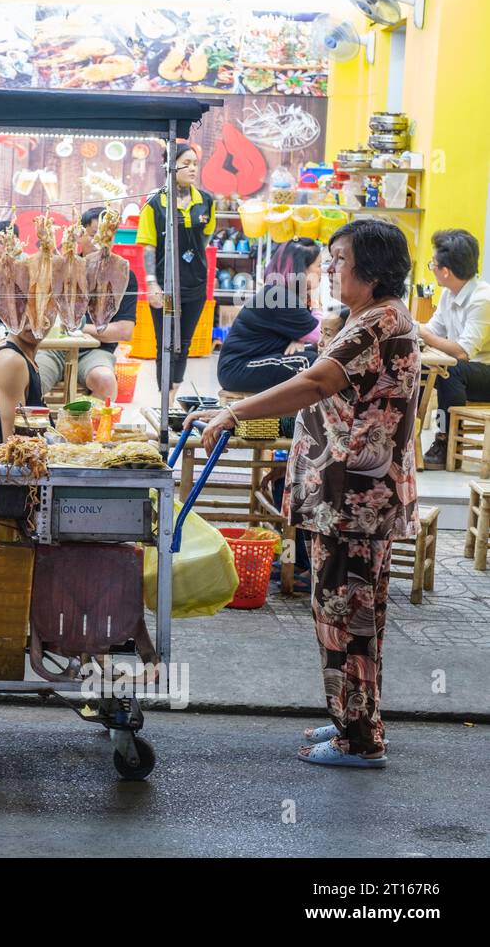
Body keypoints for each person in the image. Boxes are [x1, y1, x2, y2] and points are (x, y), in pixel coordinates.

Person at [187, 220, 418, 768]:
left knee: (348, 615)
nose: (331, 269)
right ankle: (352, 718)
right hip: (346, 497)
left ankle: (360, 741)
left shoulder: (380, 322)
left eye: (340, 260)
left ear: (374, 269)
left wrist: (233, 411)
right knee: (345, 614)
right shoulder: (364, 318)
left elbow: (316, 383)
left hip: (354, 500)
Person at [136, 140, 215, 406]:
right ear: (170, 166)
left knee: (184, 342)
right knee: (165, 342)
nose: (193, 169)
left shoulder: (206, 201)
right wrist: (152, 282)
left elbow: (204, 239)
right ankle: (164, 401)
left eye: (196, 164)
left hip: (194, 286)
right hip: (166, 286)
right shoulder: (154, 203)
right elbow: (148, 245)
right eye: (187, 163)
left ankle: (172, 396)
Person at [38, 207, 139, 402]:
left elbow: (124, 331)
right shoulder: (61, 268)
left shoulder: (123, 275)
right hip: (53, 348)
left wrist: (81, 327)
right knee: (31, 380)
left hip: (95, 351)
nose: (100, 243)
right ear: (80, 235)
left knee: (106, 381)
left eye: (106, 236)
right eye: (94, 235)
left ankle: (87, 429)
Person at [418, 229, 490, 468]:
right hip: (468, 370)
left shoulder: (482, 299)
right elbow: (432, 330)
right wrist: (418, 333)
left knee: (452, 369)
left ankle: (446, 439)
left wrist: (422, 332)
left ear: (445, 271)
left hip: (484, 372)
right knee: (418, 364)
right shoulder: (449, 294)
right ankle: (408, 432)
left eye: (433, 264)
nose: (433, 268)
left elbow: (462, 352)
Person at [218, 237, 323, 393]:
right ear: (302, 270)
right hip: (239, 368)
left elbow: (312, 335)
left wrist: (300, 338)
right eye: (318, 266)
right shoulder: (279, 296)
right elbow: (321, 334)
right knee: (313, 362)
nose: (322, 271)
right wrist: (316, 302)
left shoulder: (286, 294)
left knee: (311, 356)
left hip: (252, 363)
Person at [0, 324, 44, 443]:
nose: (32, 323)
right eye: (23, 310)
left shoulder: (19, 355)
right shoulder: (12, 361)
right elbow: (14, 447)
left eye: (43, 310)